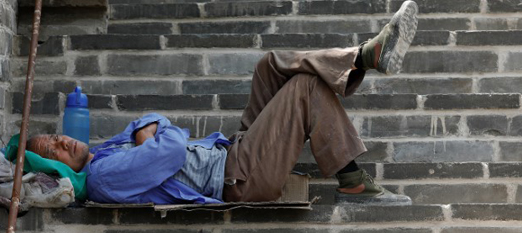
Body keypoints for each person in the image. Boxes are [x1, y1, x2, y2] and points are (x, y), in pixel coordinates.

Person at [25, 1, 423, 205]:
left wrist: (147, 128)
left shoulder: (105, 153)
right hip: (239, 178)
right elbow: (170, 149)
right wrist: (154, 130)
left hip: (232, 155)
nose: (62, 142)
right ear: (53, 170)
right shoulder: (101, 178)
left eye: (55, 137)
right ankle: (352, 177)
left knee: (269, 66)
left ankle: (361, 57)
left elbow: (148, 131)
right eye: (53, 151)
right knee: (304, 87)